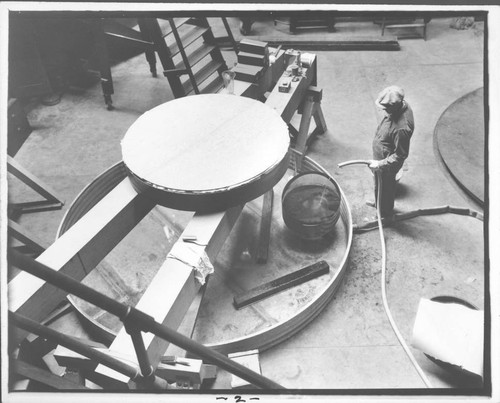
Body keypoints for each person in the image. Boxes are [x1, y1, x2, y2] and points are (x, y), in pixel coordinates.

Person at [368, 86, 415, 218]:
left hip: (387, 163)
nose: (384, 111)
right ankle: (379, 203)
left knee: (386, 188)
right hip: (381, 157)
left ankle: (385, 213)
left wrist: (380, 164)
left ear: (395, 106)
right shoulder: (398, 108)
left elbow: (401, 155)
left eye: (386, 108)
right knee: (378, 183)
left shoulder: (402, 129)